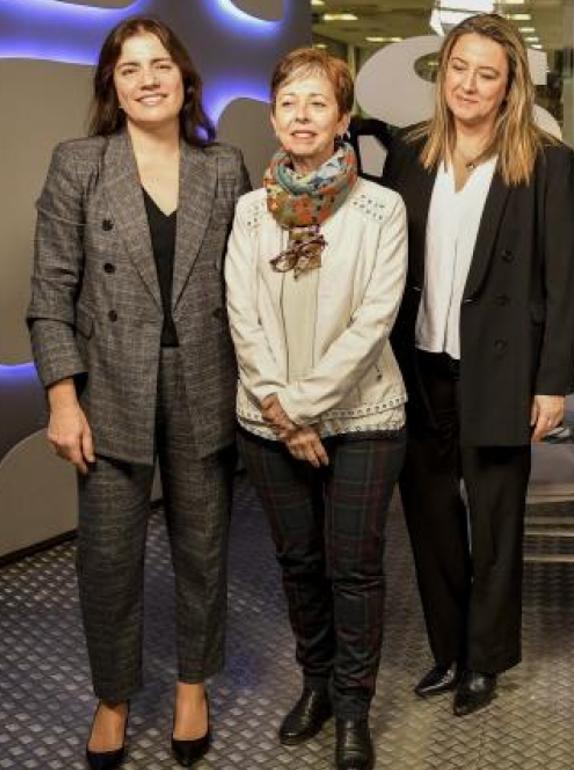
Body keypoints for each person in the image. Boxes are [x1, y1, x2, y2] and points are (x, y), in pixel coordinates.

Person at [25, 16, 249, 770]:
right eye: (130, 69)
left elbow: (248, 290)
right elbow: (50, 292)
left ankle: (193, 685)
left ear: (185, 79)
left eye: (161, 65)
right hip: (110, 390)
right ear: (112, 88)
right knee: (108, 560)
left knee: (203, 549)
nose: (148, 78)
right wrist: (62, 398)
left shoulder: (225, 167)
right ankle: (112, 696)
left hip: (205, 383)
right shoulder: (79, 163)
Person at [382, 13, 574, 717]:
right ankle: (449, 650)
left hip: (501, 370)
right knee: (431, 519)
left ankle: (487, 660)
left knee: (494, 524)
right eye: (459, 68)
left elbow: (564, 279)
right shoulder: (410, 153)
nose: (469, 83)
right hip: (418, 366)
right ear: (444, 73)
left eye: (486, 73)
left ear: (509, 85)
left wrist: (552, 383)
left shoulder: (547, 161)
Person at [225, 47, 408, 770]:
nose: (302, 116)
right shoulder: (248, 211)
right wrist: (281, 413)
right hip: (266, 422)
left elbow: (374, 322)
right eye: (289, 103)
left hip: (363, 416)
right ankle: (317, 685)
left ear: (342, 120)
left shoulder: (380, 208)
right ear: (274, 117)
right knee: (298, 562)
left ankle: (354, 708)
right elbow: (241, 314)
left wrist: (301, 408)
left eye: (317, 103)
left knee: (354, 568)